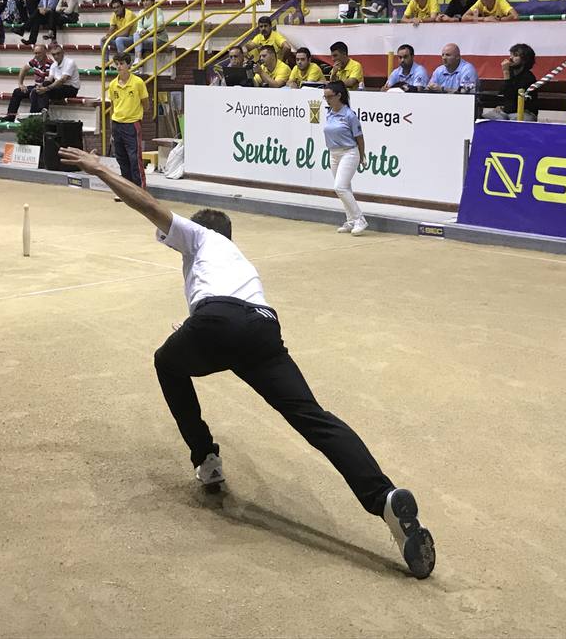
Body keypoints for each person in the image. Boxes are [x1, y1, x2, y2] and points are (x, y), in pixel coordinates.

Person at [54, 146, 435, 580]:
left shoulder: (200, 238)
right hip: (261, 329)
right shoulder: (238, 259)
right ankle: (383, 497)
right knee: (313, 418)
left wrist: (102, 170)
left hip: (220, 321)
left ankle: (206, 458)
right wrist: (200, 326)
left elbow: (152, 207)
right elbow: (230, 315)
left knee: (166, 363)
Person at [322, 80, 368, 236]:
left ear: (339, 96)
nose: (327, 100)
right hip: (333, 153)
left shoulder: (349, 115)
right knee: (344, 188)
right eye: (325, 97)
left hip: (349, 152)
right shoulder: (329, 113)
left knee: (339, 187)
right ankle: (350, 220)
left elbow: (359, 137)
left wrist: (362, 156)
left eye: (329, 97)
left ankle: (360, 219)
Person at [107, 53, 150, 189]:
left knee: (134, 158)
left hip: (132, 124)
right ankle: (127, 190)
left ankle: (140, 191)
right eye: (117, 64)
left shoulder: (138, 82)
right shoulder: (113, 84)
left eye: (122, 64)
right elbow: (113, 107)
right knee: (121, 158)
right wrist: (112, 130)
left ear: (128, 65)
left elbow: (146, 104)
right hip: (117, 124)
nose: (119, 67)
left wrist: (135, 114)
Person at [0, 43, 51, 122]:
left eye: (39, 53)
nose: (37, 55)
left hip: (45, 89)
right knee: (17, 91)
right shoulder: (35, 60)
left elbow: (47, 82)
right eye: (35, 53)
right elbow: (24, 69)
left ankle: (31, 119)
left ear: (45, 52)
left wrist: (38, 87)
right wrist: (21, 84)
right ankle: (10, 116)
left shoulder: (50, 64)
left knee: (35, 92)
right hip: (37, 86)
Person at [486, 44, 537, 120]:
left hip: (524, 111)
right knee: (487, 118)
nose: (510, 58)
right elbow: (502, 94)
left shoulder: (528, 77)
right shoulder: (511, 74)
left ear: (525, 60)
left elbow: (513, 97)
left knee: (513, 119)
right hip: (508, 110)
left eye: (515, 55)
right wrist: (501, 106)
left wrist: (506, 72)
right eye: (511, 55)